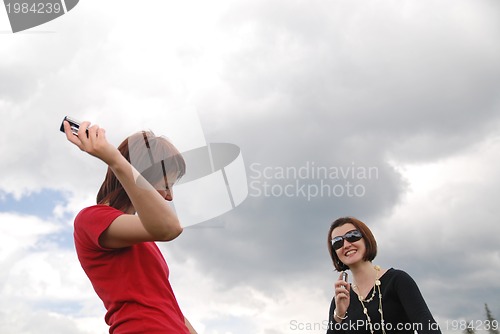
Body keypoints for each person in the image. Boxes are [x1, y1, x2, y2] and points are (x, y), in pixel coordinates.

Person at [63, 120, 197, 334]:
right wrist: (113, 159)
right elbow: (170, 227)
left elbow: (168, 306)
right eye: (165, 185)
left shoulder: (142, 236)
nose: (170, 196)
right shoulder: (91, 218)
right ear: (141, 176)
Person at [326, 217, 441, 334]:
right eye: (337, 242)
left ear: (366, 239)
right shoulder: (340, 300)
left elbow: (428, 327)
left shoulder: (398, 281)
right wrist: (339, 316)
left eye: (352, 236)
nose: (346, 245)